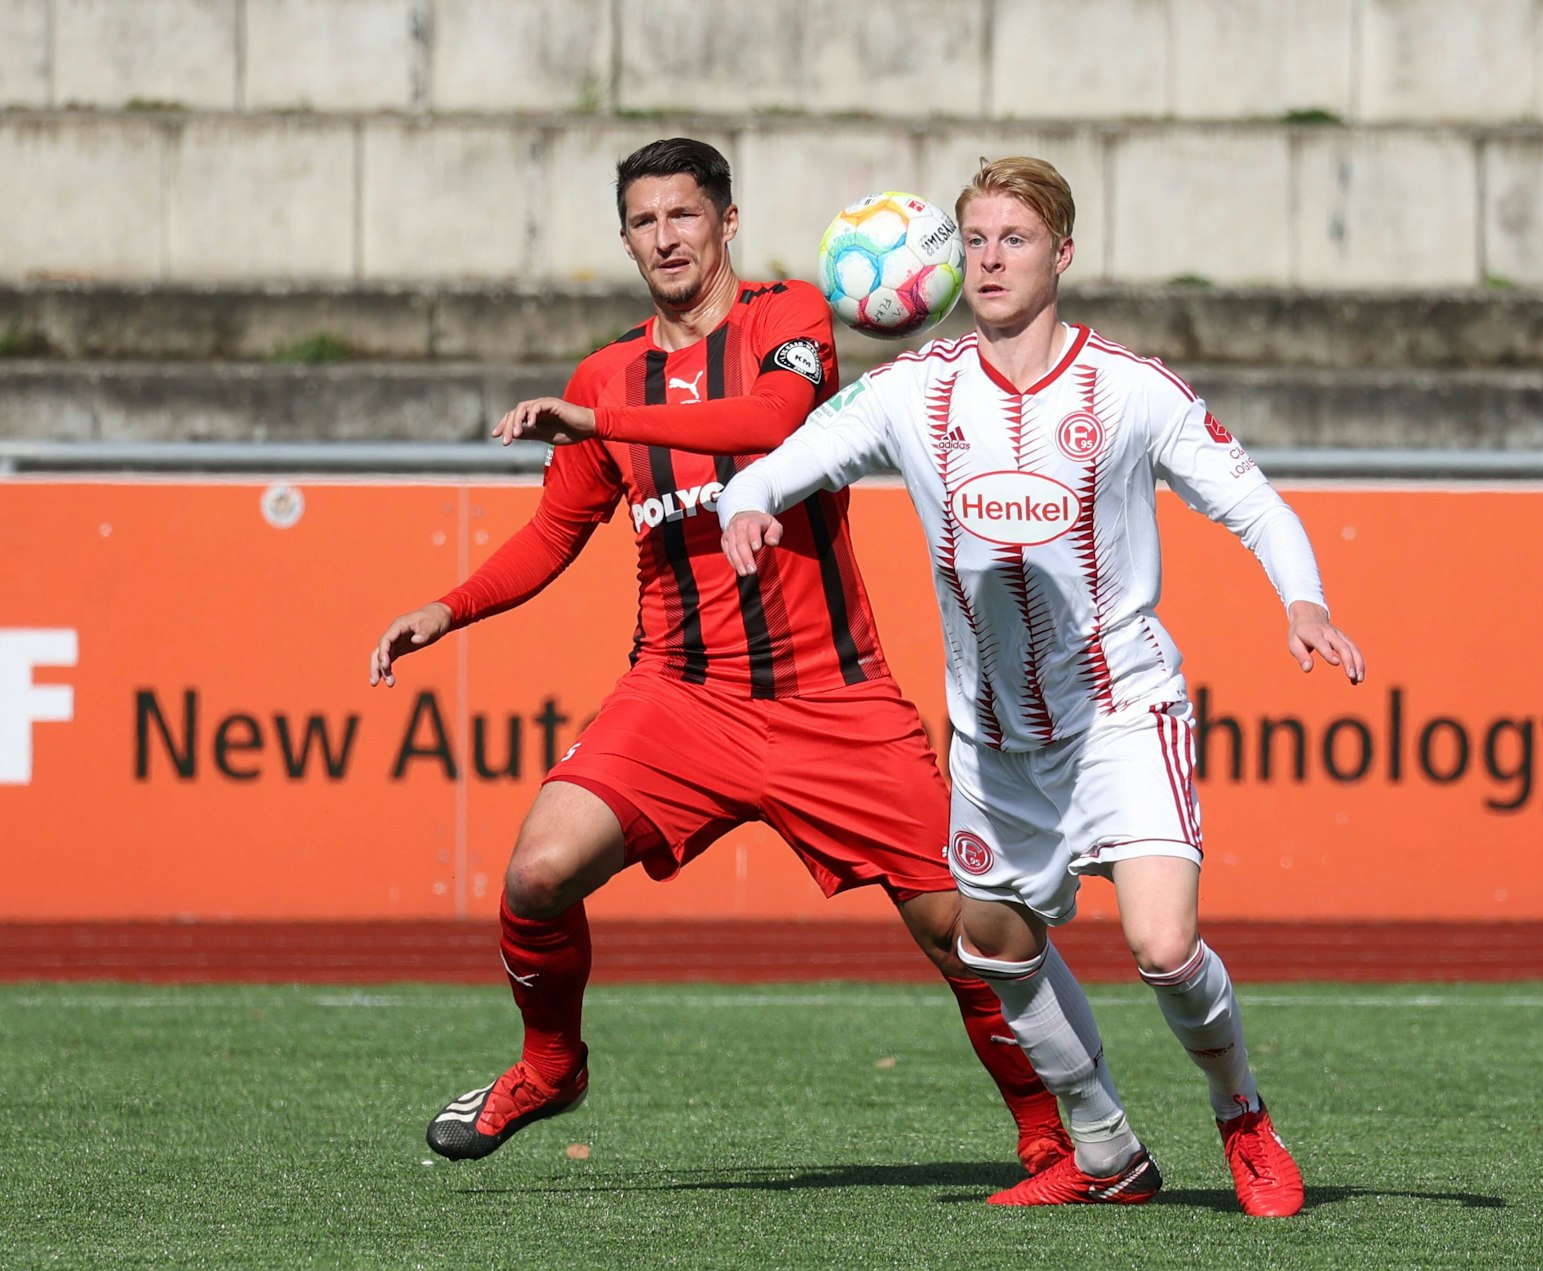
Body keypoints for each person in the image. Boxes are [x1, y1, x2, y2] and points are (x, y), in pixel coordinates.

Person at [368, 138, 1069, 1173]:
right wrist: (450, 606)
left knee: (962, 929)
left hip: (832, 696)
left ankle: (1054, 1138)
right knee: (537, 872)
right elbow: (554, 533)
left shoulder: (789, 320)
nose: (666, 238)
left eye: (684, 216)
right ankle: (551, 1064)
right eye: (645, 222)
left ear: (726, 222)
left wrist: (593, 417)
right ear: (626, 240)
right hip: (680, 699)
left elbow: (772, 421)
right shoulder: (607, 372)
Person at [718, 156, 1365, 1215]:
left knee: (1161, 945)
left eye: (1014, 239)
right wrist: (750, 500)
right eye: (974, 240)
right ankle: (1107, 1147)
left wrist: (1302, 598)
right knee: (994, 944)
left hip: (1122, 711)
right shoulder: (914, 390)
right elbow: (802, 449)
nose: (991, 258)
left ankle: (1242, 1115)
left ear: (1062, 253)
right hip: (991, 736)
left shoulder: (1130, 388)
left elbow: (1253, 501)